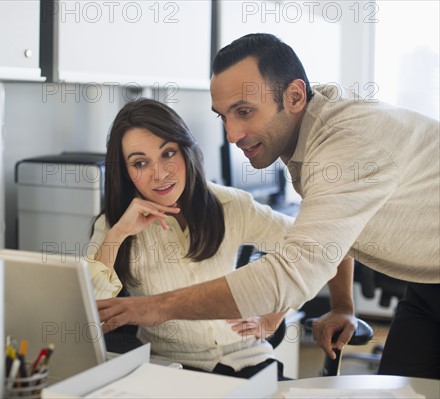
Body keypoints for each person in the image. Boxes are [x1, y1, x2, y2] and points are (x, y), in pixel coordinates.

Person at [97, 33, 440, 379]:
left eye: (244, 112)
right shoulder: (310, 123)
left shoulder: (346, 146)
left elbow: (291, 274)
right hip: (426, 284)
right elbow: (335, 233)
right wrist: (341, 306)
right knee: (406, 387)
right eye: (224, 117)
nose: (231, 134)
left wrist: (156, 308)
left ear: (293, 96)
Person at [86, 98, 297, 379]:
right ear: (126, 173)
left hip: (247, 359)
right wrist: (118, 234)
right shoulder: (115, 224)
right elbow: (89, 312)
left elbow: (310, 247)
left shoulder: (230, 205)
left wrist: (274, 317)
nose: (159, 174)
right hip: (171, 368)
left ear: (186, 151)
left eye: (168, 154)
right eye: (140, 163)